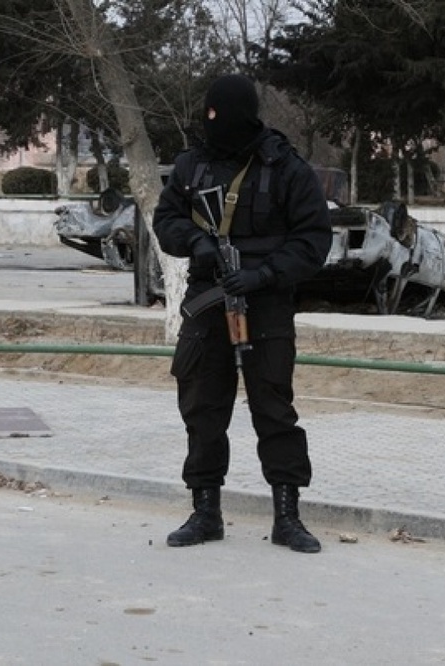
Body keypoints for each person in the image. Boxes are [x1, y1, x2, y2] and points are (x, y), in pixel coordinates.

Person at [152, 74, 333, 553]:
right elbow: (165, 218)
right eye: (207, 115)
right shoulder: (194, 165)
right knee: (202, 408)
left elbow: (314, 241)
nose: (211, 123)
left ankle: (288, 517)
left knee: (274, 409)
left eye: (218, 115)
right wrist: (195, 243)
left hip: (267, 304)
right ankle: (205, 512)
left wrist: (264, 274)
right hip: (208, 302)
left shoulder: (284, 167)